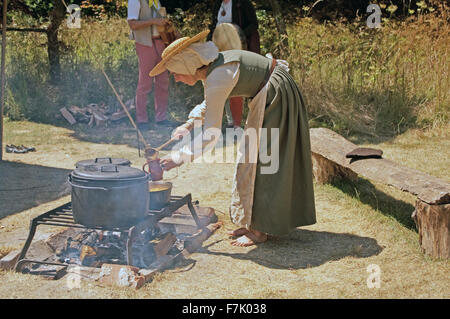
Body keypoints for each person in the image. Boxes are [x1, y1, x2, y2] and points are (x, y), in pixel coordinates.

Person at [150, 31, 316, 247]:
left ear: (187, 64)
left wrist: (177, 158)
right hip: (268, 93)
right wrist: (189, 124)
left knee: (263, 161)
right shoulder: (212, 71)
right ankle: (251, 222)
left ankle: (259, 230)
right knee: (250, 159)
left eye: (175, 73)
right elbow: (212, 102)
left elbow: (211, 133)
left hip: (276, 95)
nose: (176, 78)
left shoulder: (218, 75)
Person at [208, 0, 261, 128]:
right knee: (220, 85)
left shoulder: (243, 3)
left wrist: (237, 35)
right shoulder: (218, 4)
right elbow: (214, 25)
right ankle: (225, 122)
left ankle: (236, 125)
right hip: (219, 51)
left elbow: (254, 25)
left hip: (239, 50)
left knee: (236, 86)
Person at [127, 0, 176, 128]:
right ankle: (141, 119)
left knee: (163, 81)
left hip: (161, 42)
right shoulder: (135, 1)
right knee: (145, 83)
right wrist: (154, 21)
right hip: (145, 44)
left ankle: (161, 118)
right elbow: (132, 24)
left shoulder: (156, 1)